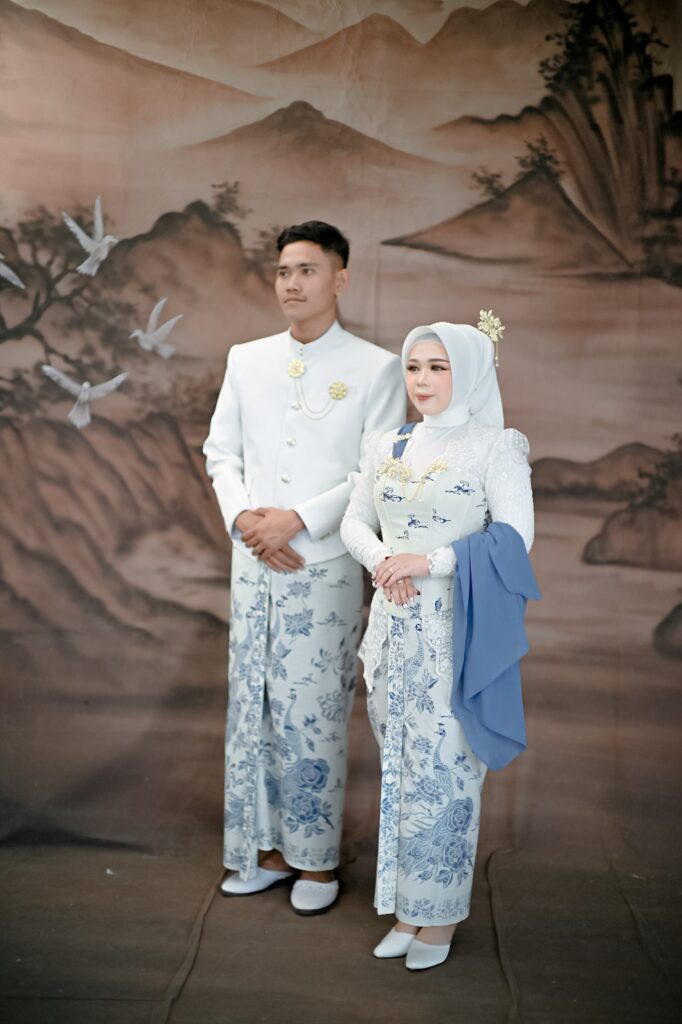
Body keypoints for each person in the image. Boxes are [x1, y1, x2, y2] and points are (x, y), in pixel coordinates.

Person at [203, 221, 405, 916]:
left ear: (339, 279)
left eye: (308, 270)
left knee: (313, 710)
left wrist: (296, 519)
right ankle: (261, 852)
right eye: (284, 270)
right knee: (252, 706)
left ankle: (315, 861)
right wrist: (245, 519)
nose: (292, 283)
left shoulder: (378, 367)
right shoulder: (247, 359)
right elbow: (221, 453)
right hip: (252, 561)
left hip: (322, 565)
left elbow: (374, 473)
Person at [340, 319, 536, 968]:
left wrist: (427, 562)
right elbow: (354, 521)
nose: (421, 380)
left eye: (438, 367)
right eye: (414, 367)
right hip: (391, 629)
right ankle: (407, 909)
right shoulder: (387, 443)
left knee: (447, 769)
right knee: (400, 764)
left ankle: (441, 916)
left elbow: (516, 537)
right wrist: (384, 560)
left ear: (470, 372)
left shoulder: (495, 448)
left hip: (455, 630)